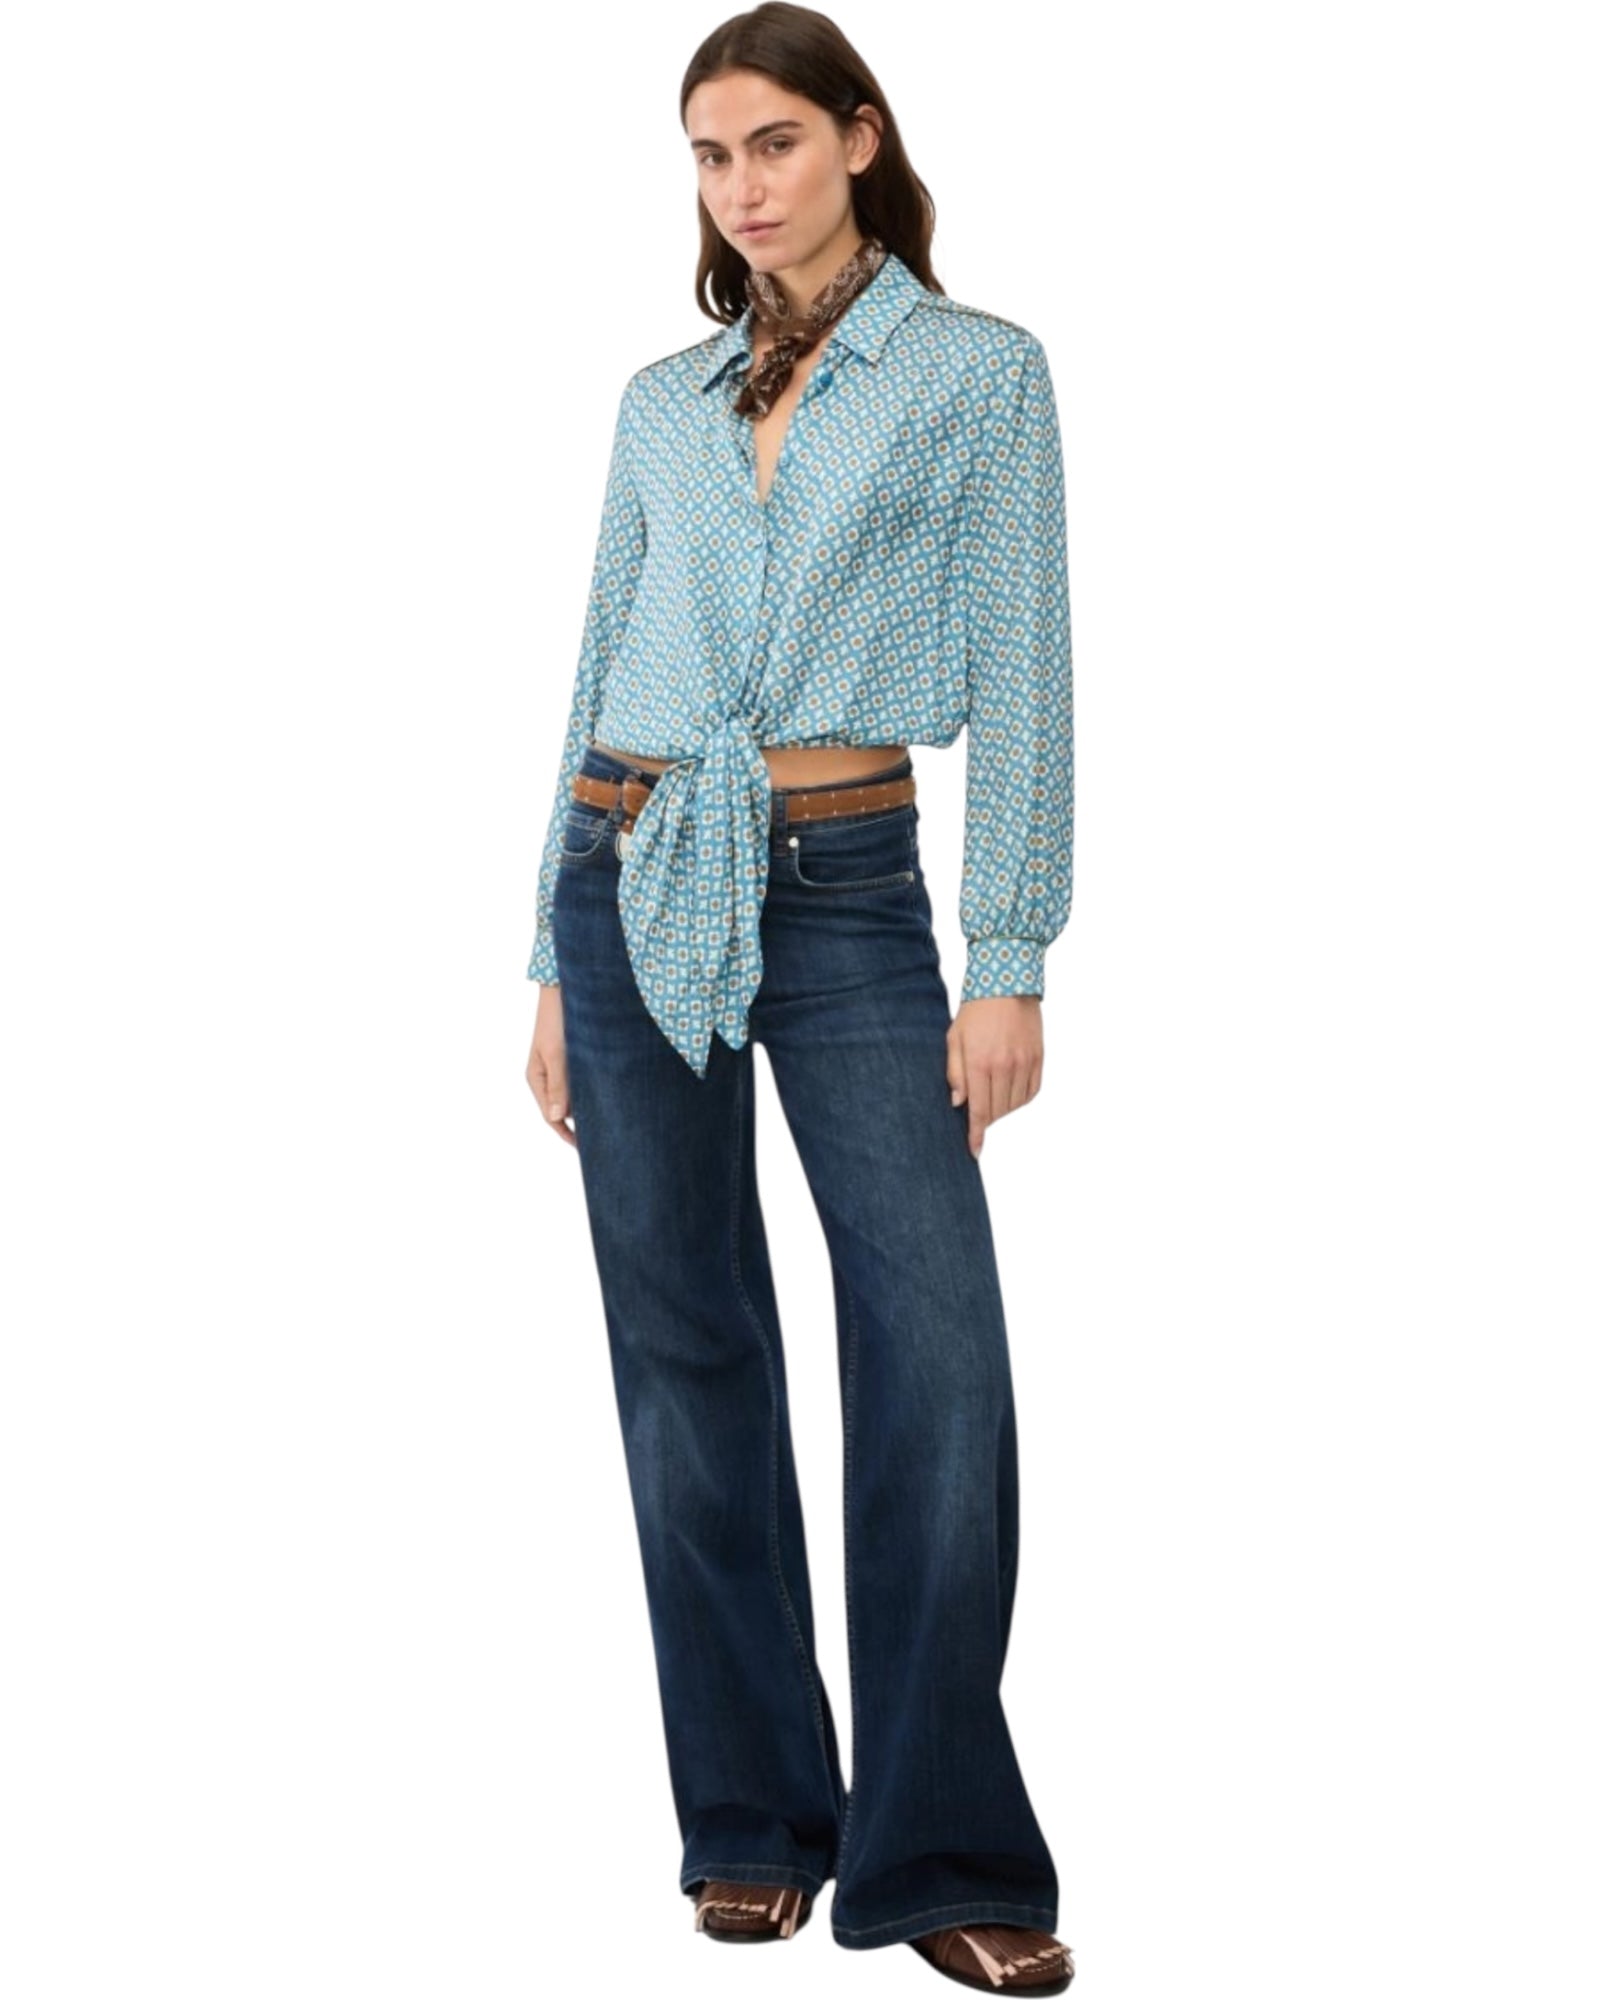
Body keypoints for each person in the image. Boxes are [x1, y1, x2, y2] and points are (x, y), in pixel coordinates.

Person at [523, 6, 1075, 1991]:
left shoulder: (977, 375)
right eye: (706, 155)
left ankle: (940, 1846)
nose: (739, 186)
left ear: (856, 137)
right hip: (627, 869)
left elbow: (1026, 670)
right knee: (685, 1353)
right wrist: (546, 957)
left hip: (848, 897)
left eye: (770, 142)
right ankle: (753, 1813)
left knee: (935, 1355)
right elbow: (600, 660)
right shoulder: (659, 403)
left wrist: (1007, 957)